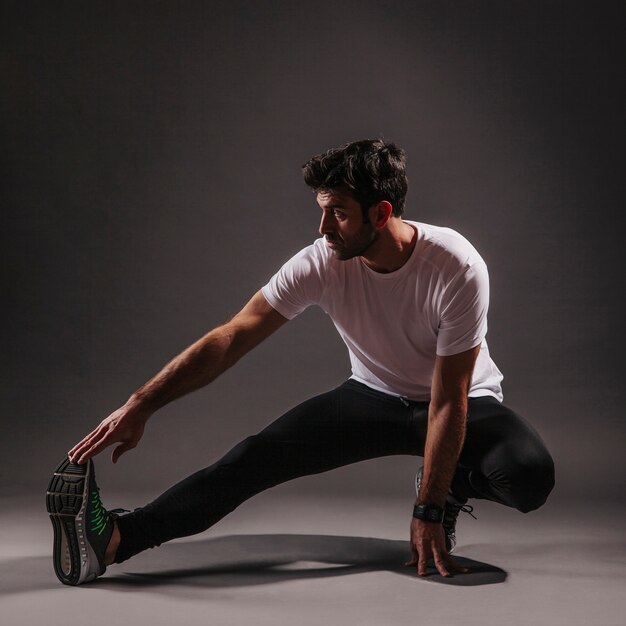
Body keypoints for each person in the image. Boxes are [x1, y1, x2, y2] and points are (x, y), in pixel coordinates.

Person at [46, 139, 554, 586]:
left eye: (337, 212)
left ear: (380, 213)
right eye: (322, 210)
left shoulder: (456, 266)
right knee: (252, 458)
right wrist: (142, 404)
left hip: (463, 401)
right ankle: (114, 540)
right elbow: (232, 336)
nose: (322, 227)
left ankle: (444, 479)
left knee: (529, 477)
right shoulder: (322, 261)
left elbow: (448, 399)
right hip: (372, 398)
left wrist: (432, 506)